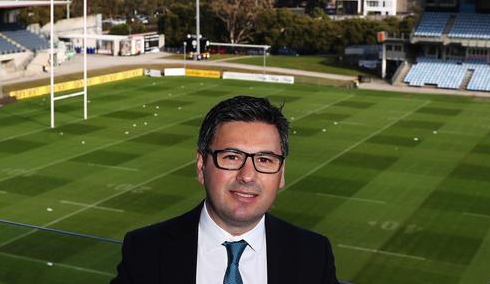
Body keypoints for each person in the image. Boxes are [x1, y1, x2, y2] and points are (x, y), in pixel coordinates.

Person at [111, 95, 339, 284]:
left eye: (265, 160)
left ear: (281, 174)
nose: (248, 176)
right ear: (202, 166)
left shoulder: (314, 255)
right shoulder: (145, 251)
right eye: (231, 157)